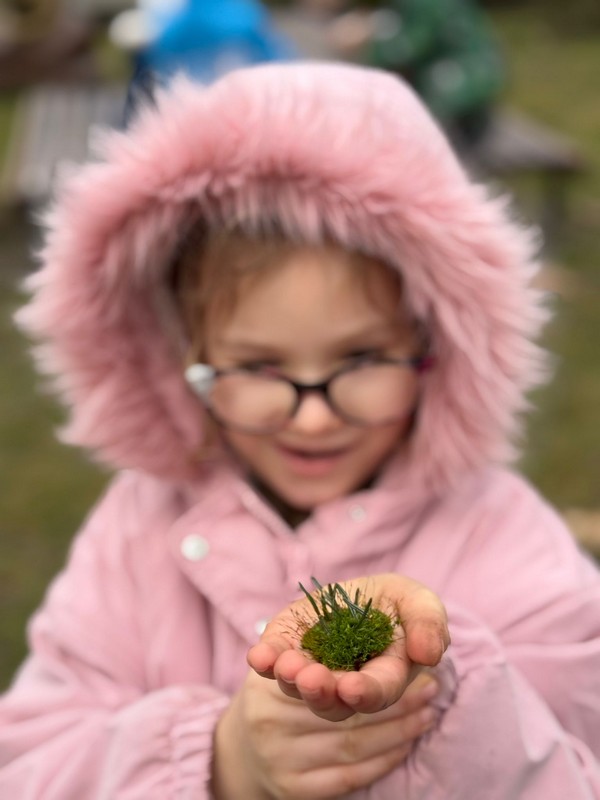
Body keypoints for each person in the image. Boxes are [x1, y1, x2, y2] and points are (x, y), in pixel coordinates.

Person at [0, 61, 599, 798]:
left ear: (435, 348)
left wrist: (434, 703)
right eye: (258, 367)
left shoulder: (511, 545)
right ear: (185, 359)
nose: (313, 417)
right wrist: (221, 759)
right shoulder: (134, 533)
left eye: (363, 359)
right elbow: (28, 765)